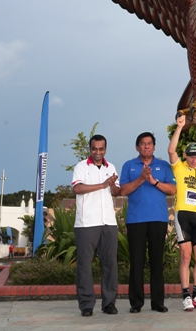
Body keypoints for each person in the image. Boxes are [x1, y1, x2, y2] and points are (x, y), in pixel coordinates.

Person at [120, 132, 177, 314]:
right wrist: (141, 179)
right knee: (136, 262)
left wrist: (153, 181)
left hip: (158, 219)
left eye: (149, 143)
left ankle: (157, 302)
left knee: (156, 262)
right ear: (137, 147)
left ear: (154, 147)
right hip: (136, 220)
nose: (146, 146)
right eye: (143, 144)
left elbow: (173, 189)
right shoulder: (129, 166)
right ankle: (136, 303)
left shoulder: (163, 166)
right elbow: (123, 190)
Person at [71, 134, 120, 317]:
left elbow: (115, 192)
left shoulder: (111, 167)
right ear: (89, 149)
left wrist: (112, 185)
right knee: (84, 264)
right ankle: (86, 305)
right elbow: (77, 188)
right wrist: (101, 184)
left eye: (101, 149)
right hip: (86, 223)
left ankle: (109, 303)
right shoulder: (81, 167)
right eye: (94, 149)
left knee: (110, 264)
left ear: (105, 149)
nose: (97, 152)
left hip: (108, 222)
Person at [168, 114, 196, 311]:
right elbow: (171, 150)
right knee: (186, 256)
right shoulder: (180, 167)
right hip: (183, 214)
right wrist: (179, 127)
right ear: (186, 155)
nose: (194, 159)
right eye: (191, 156)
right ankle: (185, 296)